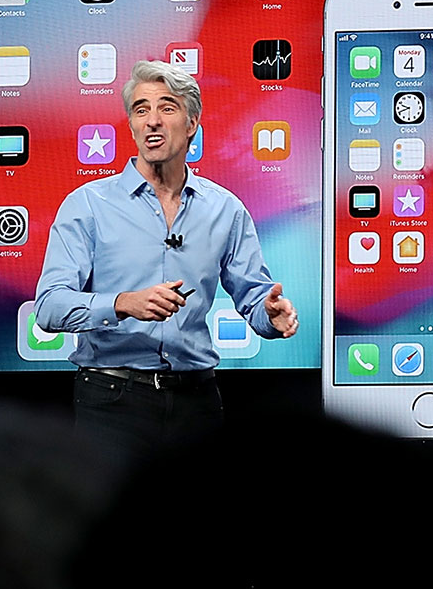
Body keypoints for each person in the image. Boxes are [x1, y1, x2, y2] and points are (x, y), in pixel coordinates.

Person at [35, 59, 298, 446]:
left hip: (197, 401)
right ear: (133, 126)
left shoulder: (225, 209)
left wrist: (270, 316)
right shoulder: (87, 204)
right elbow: (49, 308)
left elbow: (255, 298)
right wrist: (123, 303)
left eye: (166, 107)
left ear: (191, 124)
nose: (152, 120)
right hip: (111, 399)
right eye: (141, 110)